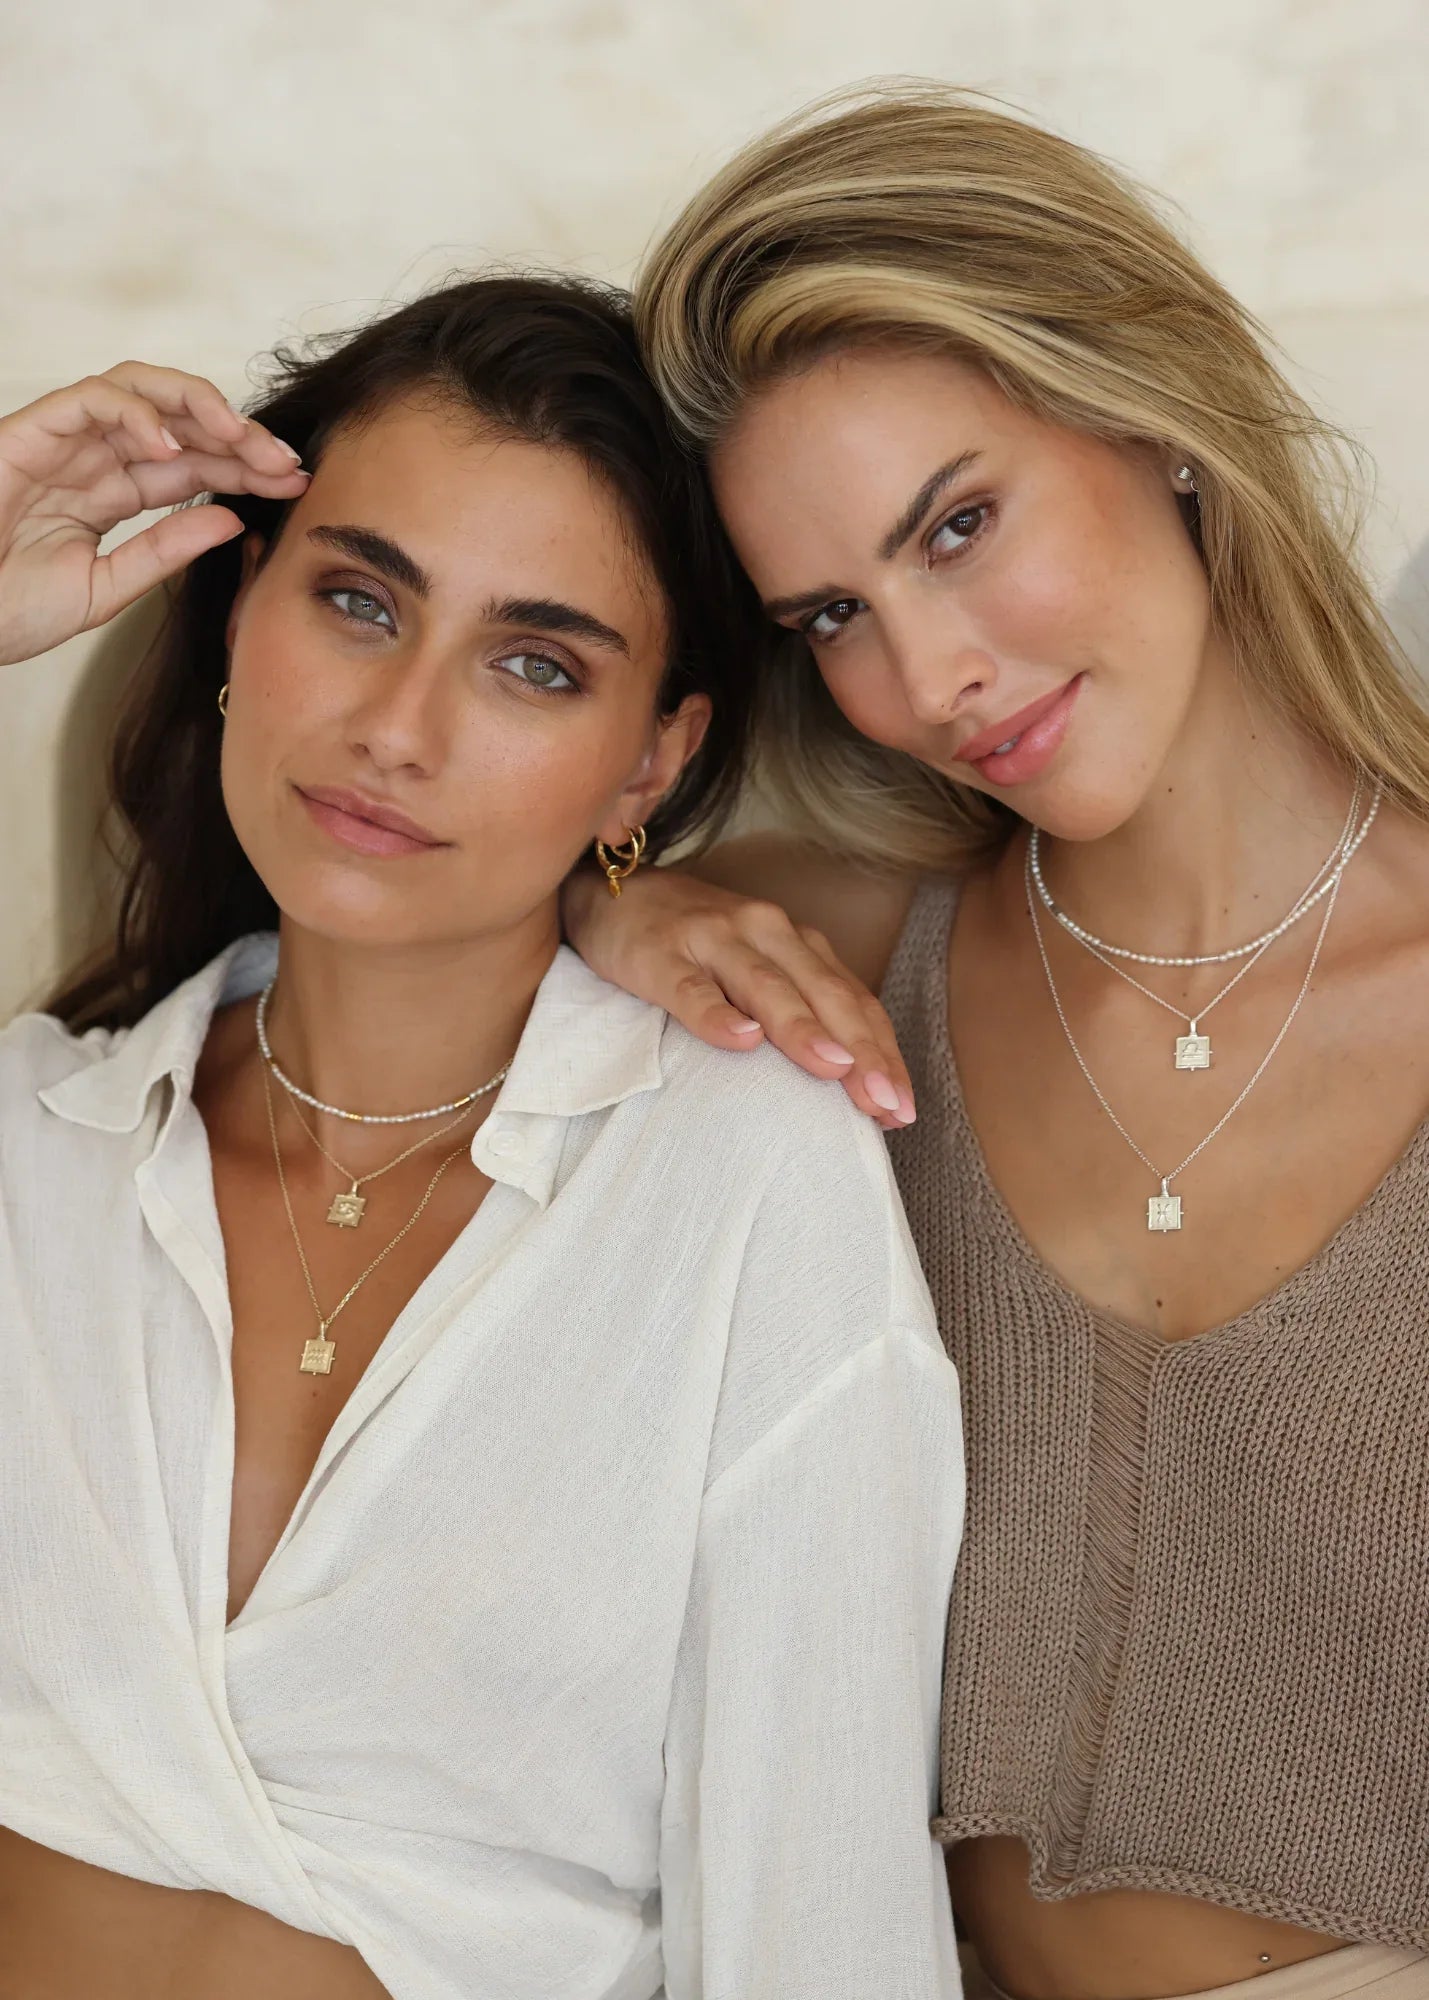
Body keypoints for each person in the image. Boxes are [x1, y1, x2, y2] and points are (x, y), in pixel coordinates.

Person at [0, 277, 964, 1999]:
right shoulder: (30, 1147)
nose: (399, 727)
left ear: (649, 763)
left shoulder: (739, 1180)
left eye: (534, 665)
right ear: (237, 613)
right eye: (357, 601)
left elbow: (812, 1896)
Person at [562, 86, 1429, 2000]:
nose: (924, 677)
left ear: (1151, 411)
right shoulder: (845, 948)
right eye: (832, 615)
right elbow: (396, 910)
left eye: (958, 526)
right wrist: (614, 900)